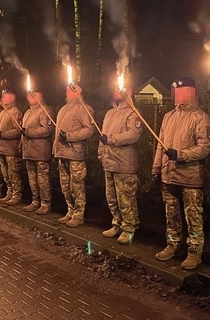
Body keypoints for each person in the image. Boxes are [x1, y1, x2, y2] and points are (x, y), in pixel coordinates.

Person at [152, 76, 210, 270]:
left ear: (192, 92)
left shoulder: (201, 118)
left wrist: (181, 155)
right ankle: (172, 245)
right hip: (168, 175)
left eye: (183, 91)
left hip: (190, 176)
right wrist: (156, 168)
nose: (179, 96)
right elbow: (160, 146)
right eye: (177, 92)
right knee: (172, 214)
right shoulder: (168, 116)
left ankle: (195, 252)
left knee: (193, 216)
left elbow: (205, 147)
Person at [98, 86, 143, 243]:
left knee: (126, 198)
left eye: (119, 89)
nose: (115, 91)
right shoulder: (110, 113)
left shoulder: (132, 112)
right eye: (114, 88)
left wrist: (112, 139)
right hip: (109, 161)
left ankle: (129, 227)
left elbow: (134, 135)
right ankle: (117, 223)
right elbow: (103, 134)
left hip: (124, 162)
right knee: (112, 197)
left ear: (128, 92)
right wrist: (101, 152)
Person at [54, 84, 95, 227]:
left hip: (75, 153)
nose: (66, 92)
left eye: (70, 90)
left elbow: (89, 130)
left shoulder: (84, 108)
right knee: (65, 186)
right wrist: (56, 148)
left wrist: (70, 136)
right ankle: (70, 211)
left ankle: (78, 215)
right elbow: (57, 133)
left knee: (76, 186)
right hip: (62, 153)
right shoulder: (63, 109)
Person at [21, 90, 54, 215]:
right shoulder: (28, 112)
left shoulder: (45, 111)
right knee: (32, 178)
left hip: (40, 151)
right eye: (29, 95)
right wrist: (21, 146)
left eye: (33, 94)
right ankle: (35, 200)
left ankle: (46, 203)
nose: (29, 97)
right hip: (29, 150)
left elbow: (47, 129)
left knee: (42, 178)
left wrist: (29, 132)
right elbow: (22, 132)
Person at [0, 90, 24, 206]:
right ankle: (9, 191)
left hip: (11, 149)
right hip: (2, 148)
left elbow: (18, 130)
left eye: (5, 96)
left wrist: (4, 134)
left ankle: (17, 194)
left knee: (13, 173)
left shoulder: (15, 112)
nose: (2, 98)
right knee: (5, 173)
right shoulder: (3, 112)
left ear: (12, 97)